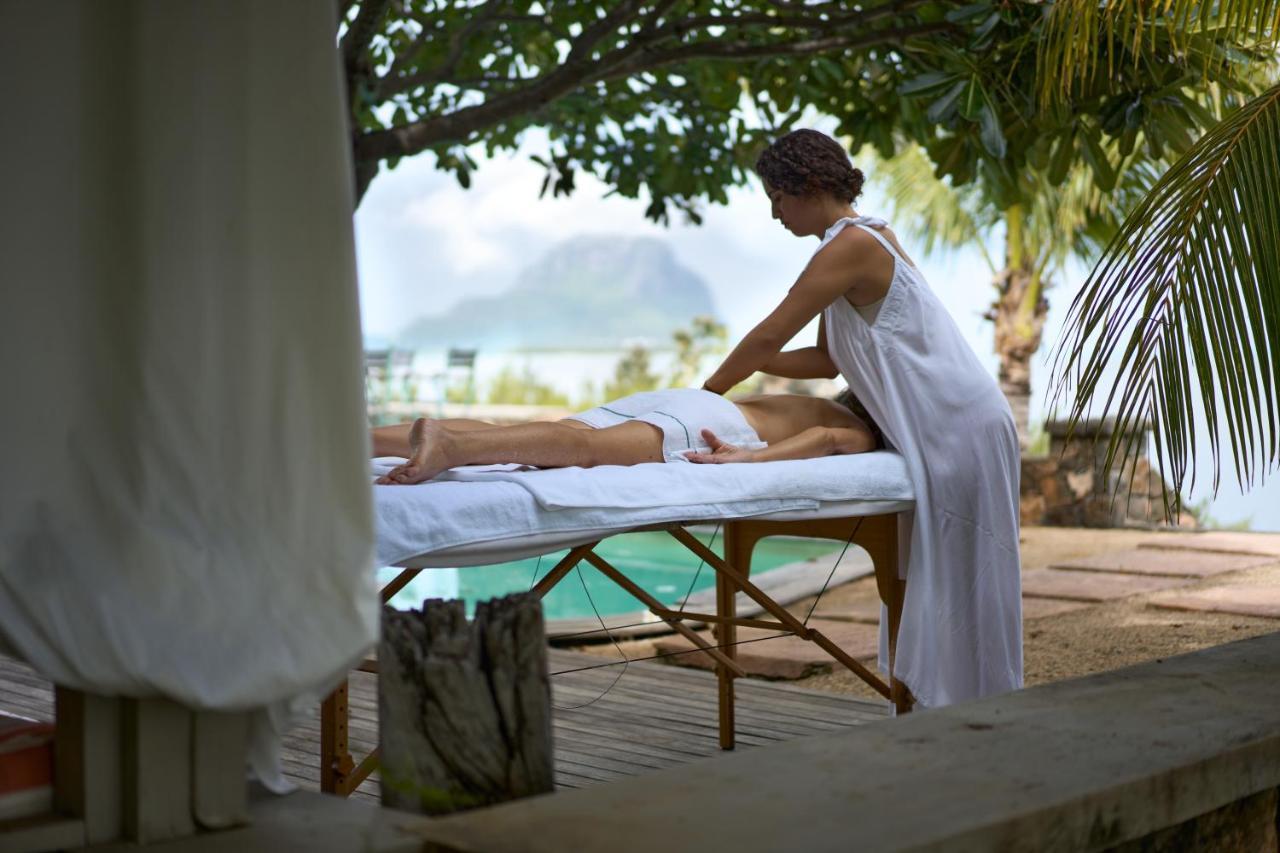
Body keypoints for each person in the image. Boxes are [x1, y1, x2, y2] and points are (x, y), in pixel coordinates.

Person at [698, 128, 1022, 708]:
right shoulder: (855, 244)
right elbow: (826, 361)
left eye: (778, 197)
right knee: (943, 576)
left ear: (811, 185)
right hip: (946, 425)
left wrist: (705, 394)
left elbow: (772, 330)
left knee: (970, 576)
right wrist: (749, 361)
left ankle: (980, 715)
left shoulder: (852, 246)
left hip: (960, 424)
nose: (774, 214)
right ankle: (950, 718)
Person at [372, 388, 877, 485]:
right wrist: (747, 458)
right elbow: (828, 441)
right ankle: (452, 448)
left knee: (548, 435)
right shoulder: (861, 428)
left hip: (690, 399)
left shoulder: (826, 397)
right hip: (716, 423)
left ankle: (361, 440)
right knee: (588, 452)